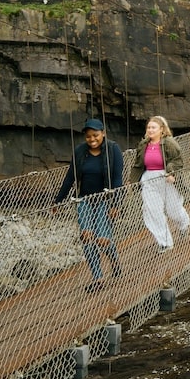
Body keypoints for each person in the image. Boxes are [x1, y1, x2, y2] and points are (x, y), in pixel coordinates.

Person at [54, 118, 124, 293]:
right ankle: (98, 278)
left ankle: (114, 260)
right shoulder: (80, 151)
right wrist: (58, 200)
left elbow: (117, 178)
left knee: (102, 239)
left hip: (105, 199)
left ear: (103, 134)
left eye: (95, 135)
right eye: (88, 137)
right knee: (87, 237)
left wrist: (116, 204)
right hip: (84, 199)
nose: (92, 139)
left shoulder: (113, 149)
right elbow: (70, 176)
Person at [131, 115, 189, 249]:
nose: (150, 130)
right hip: (149, 179)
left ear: (161, 129)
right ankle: (165, 242)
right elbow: (138, 164)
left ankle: (184, 222)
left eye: (154, 127)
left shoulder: (169, 143)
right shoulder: (143, 144)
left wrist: (171, 171)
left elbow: (178, 161)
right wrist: (132, 180)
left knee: (173, 210)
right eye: (149, 127)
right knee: (153, 211)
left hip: (166, 178)